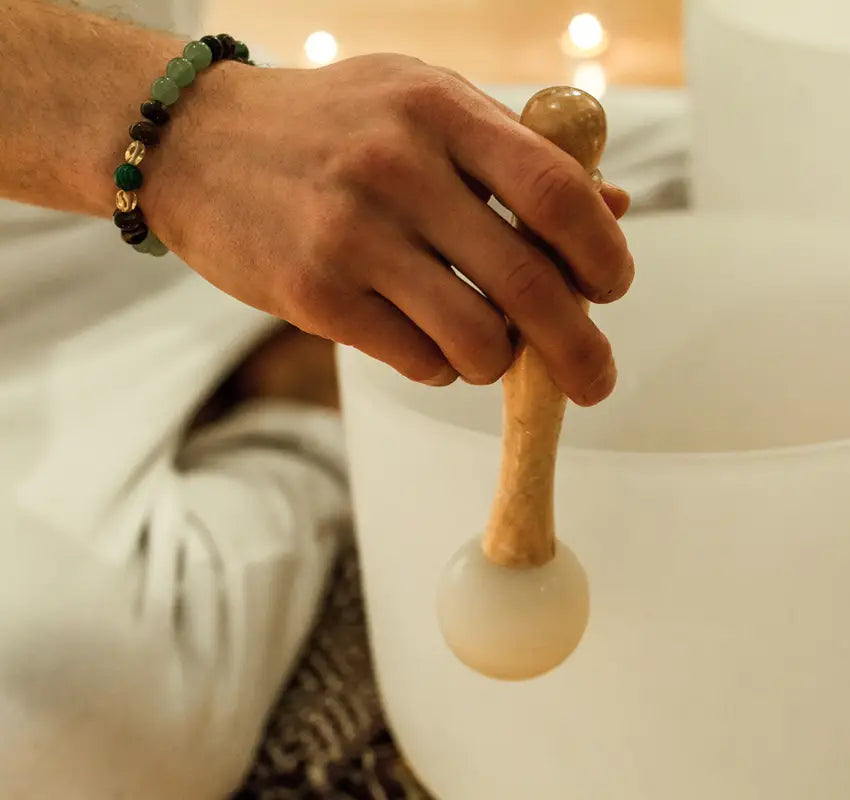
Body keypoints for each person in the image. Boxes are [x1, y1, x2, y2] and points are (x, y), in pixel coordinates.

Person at [0, 0, 636, 796]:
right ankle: (303, 398)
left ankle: (321, 316)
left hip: (222, 120)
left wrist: (233, 120)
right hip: (88, 209)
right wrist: (191, 138)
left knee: (728, 175)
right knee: (60, 731)